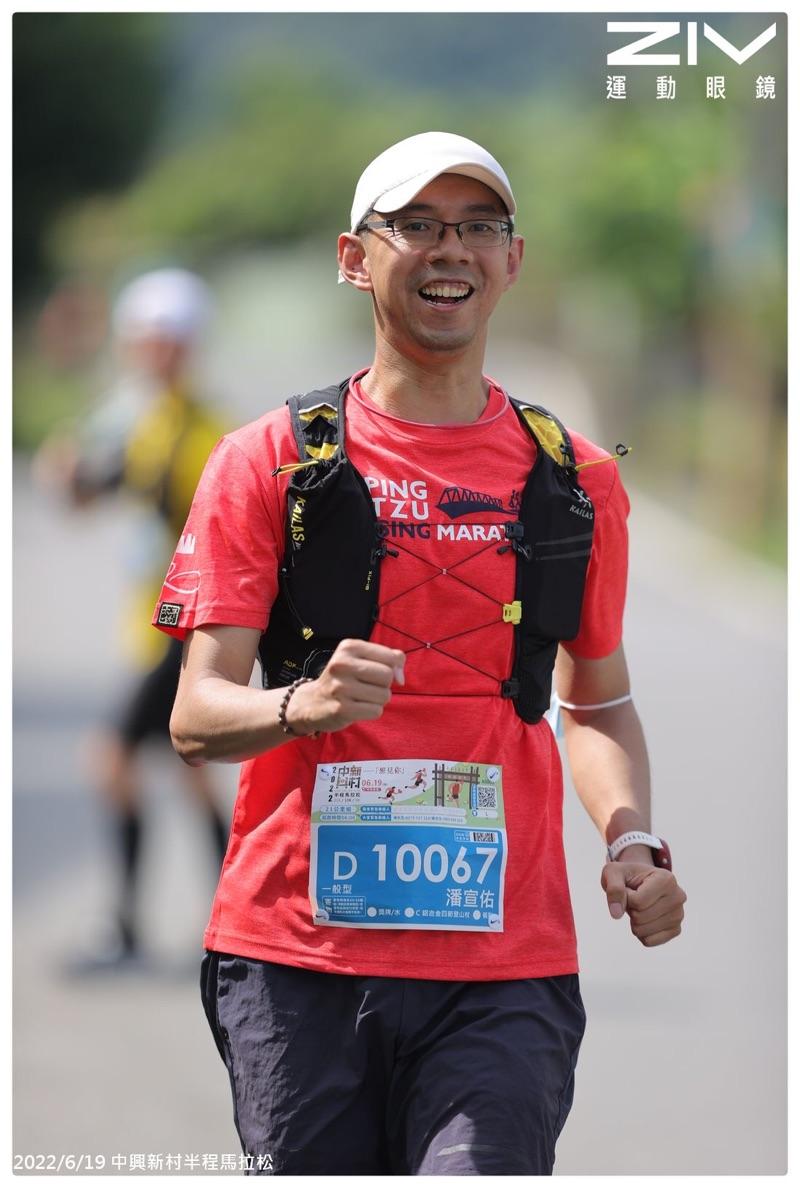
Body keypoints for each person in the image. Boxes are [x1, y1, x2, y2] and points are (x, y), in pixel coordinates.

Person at [153, 133, 687, 1174]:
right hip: (296, 960)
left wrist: (635, 843)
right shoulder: (268, 461)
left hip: (504, 970)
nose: (451, 249)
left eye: (478, 226)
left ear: (512, 261)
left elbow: (594, 703)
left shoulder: (576, 479)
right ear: (355, 258)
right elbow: (195, 715)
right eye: (416, 225)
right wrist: (300, 706)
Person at [35, 267, 231, 970]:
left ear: (188, 344)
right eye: (143, 339)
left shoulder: (199, 429)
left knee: (112, 758)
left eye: (165, 339)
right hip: (154, 623)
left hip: (180, 627)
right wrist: (68, 469)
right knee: (190, 770)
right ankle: (231, 920)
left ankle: (125, 927)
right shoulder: (139, 415)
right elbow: (85, 491)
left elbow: (214, 533)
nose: (152, 351)